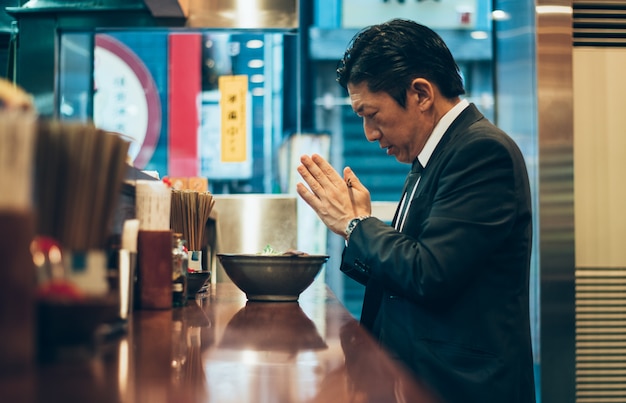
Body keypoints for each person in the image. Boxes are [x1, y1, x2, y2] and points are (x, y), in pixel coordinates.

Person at [296, 19, 536, 403]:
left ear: (421, 93)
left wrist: (357, 225)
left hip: (463, 388)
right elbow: (404, 275)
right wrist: (354, 228)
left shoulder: (481, 152)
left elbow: (430, 273)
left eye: (371, 113)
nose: (369, 134)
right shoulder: (433, 154)